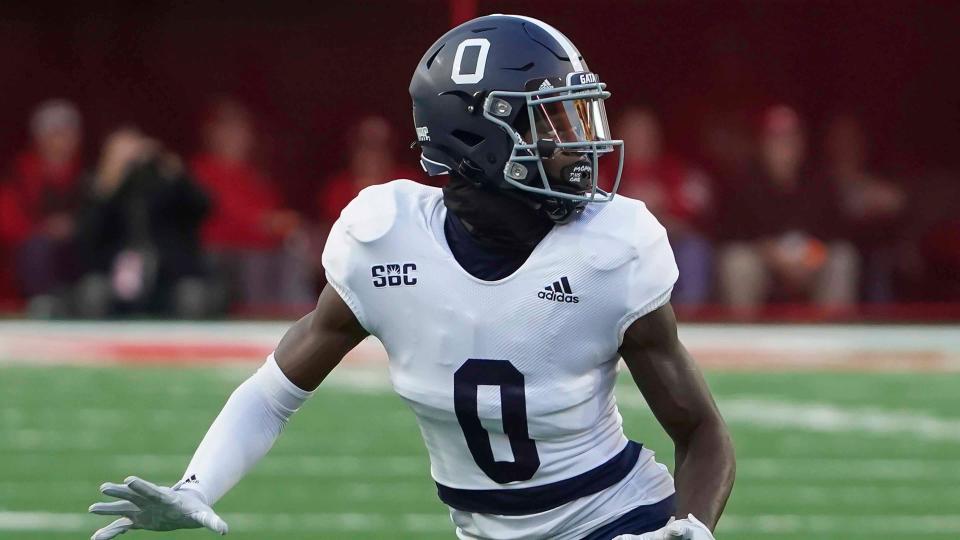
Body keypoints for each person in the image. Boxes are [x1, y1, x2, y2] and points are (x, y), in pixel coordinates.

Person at [88, 15, 734, 540]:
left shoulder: (611, 248)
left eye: (577, 118)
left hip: (616, 520)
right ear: (480, 136)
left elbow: (702, 431)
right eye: (552, 123)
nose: (580, 145)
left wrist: (691, 530)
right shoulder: (384, 239)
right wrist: (196, 485)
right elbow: (274, 391)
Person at [717, 105, 859, 316]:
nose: (785, 146)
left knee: (843, 258)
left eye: (791, 139)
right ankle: (744, 339)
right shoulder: (743, 182)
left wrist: (809, 257)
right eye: (777, 139)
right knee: (737, 262)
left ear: (801, 143)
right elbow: (730, 236)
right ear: (763, 144)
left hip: (811, 262)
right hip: (764, 265)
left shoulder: (820, 180)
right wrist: (771, 254)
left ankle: (832, 341)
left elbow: (835, 234)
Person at [74, 127, 213, 318]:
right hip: (114, 274)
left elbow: (203, 208)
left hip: (166, 274)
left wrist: (176, 173)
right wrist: (109, 181)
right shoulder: (98, 187)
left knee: (192, 294)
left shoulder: (163, 180)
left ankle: (186, 347)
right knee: (92, 291)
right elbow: (87, 238)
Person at [191, 98, 313, 311]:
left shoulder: (255, 178)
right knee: (258, 263)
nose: (235, 136)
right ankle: (258, 318)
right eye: (227, 128)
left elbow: (276, 217)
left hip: (265, 251)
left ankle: (301, 320)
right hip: (221, 255)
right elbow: (230, 216)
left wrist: (290, 228)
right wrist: (271, 224)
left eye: (240, 129)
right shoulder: (201, 171)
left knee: (297, 251)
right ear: (211, 133)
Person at [617, 107, 714, 307]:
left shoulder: (673, 170)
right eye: (634, 132)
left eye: (645, 133)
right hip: (619, 248)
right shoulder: (606, 171)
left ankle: (691, 317)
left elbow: (693, 216)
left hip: (669, 243)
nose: (640, 139)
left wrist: (661, 209)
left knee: (694, 249)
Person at [2, 99, 85, 315]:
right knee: (36, 248)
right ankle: (42, 303)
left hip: (75, 250)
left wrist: (75, 226)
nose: (63, 140)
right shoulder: (20, 173)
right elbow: (7, 220)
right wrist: (44, 230)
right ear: (40, 138)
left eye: (69, 133)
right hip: (32, 256)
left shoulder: (87, 175)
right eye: (56, 133)